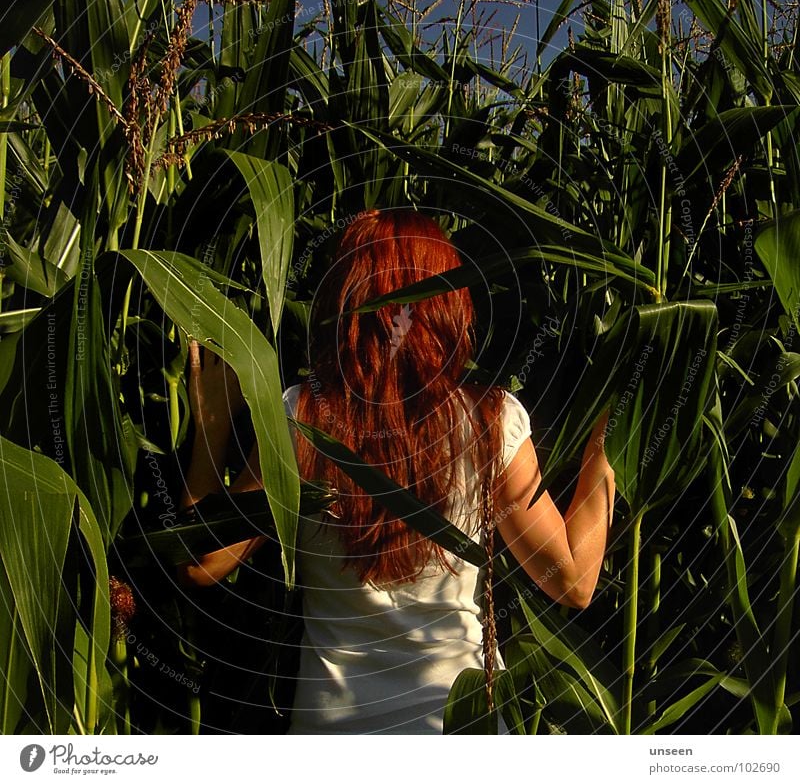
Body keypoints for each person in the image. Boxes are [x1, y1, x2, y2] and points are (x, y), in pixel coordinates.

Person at [177, 207, 615, 735]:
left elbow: (200, 563)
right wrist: (606, 439)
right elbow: (573, 581)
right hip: (460, 729)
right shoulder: (490, 422)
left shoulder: (303, 418)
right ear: (447, 308)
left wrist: (210, 425)